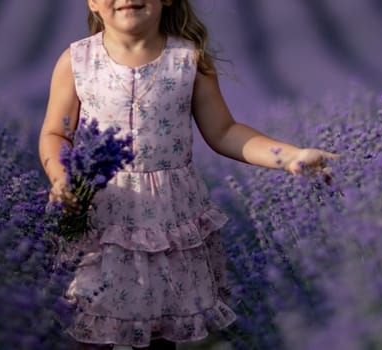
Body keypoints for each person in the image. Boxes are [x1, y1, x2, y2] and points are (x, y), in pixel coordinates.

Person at [38, 1, 337, 348]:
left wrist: (291, 157)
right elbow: (56, 133)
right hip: (100, 212)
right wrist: (61, 178)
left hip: (169, 217)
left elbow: (224, 132)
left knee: (161, 329)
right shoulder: (77, 61)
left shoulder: (188, 60)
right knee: (91, 323)